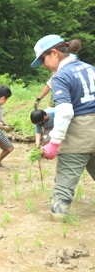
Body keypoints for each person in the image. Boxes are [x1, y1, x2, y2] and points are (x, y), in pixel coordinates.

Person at [31, 34, 95, 221]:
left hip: (79, 134)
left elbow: (65, 111)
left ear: (54, 52)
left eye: (43, 59)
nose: (43, 64)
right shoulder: (90, 68)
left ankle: (57, 226)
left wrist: (54, 143)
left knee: (63, 190)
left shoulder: (61, 76)